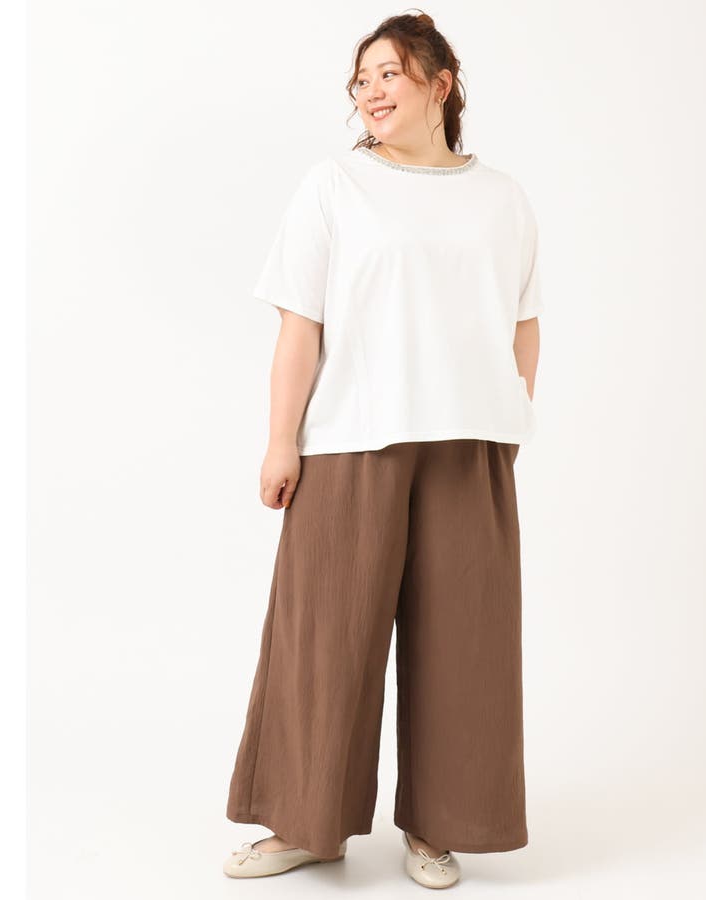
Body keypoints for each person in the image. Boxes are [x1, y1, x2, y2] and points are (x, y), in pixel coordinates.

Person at [222, 11, 543, 889]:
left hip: (469, 444)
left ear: (441, 85)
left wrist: (511, 416)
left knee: (466, 645)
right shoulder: (334, 186)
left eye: (389, 73)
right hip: (353, 439)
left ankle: (439, 826)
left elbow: (523, 320)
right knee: (324, 640)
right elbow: (300, 325)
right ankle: (307, 822)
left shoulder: (502, 197)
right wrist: (281, 441)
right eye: (360, 79)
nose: (370, 90)